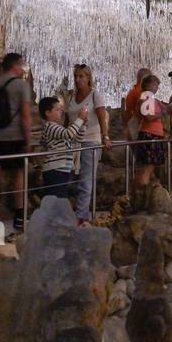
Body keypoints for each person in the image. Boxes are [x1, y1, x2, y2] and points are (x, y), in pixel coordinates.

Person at [0, 52, 33, 234]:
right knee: (18, 176)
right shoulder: (21, 86)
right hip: (15, 137)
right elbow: (26, 117)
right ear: (15, 65)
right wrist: (28, 141)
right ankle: (20, 219)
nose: (22, 69)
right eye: (21, 66)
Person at [63, 63, 110, 224]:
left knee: (85, 179)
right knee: (70, 178)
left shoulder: (95, 95)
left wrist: (105, 137)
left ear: (89, 78)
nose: (77, 79)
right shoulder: (70, 97)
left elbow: (102, 117)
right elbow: (67, 119)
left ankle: (81, 215)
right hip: (73, 142)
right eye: (76, 76)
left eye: (81, 76)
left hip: (91, 140)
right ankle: (70, 212)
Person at [37, 97, 87, 209]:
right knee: (56, 200)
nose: (62, 111)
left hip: (62, 170)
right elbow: (69, 134)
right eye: (58, 109)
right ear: (48, 113)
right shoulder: (50, 127)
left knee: (59, 200)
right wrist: (79, 119)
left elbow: (77, 138)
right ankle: (51, 223)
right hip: (55, 171)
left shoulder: (57, 128)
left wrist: (83, 123)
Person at [132, 72, 166, 208]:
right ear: (146, 85)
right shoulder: (146, 97)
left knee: (149, 168)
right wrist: (163, 112)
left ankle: (141, 197)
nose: (156, 87)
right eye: (154, 84)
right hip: (149, 134)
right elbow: (149, 117)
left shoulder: (151, 98)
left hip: (154, 134)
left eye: (157, 84)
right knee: (147, 168)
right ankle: (140, 197)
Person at [123, 67, 152, 141]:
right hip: (138, 125)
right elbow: (145, 112)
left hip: (131, 123)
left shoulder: (133, 91)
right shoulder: (140, 92)